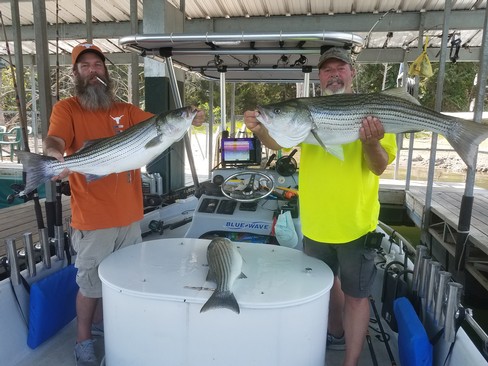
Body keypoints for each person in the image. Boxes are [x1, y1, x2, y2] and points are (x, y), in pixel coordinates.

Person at [44, 43, 204, 366]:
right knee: (90, 285)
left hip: (130, 218)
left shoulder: (126, 111)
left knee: (123, 278)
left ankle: (108, 326)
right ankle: (83, 339)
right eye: (85, 66)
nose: (93, 71)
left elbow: (159, 125)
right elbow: (56, 140)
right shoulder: (68, 109)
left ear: (106, 70)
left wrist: (190, 117)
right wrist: (52, 155)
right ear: (76, 73)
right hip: (92, 219)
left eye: (98, 65)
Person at [244, 47, 397, 366]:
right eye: (327, 70)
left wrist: (370, 142)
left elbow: (380, 166)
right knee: (326, 288)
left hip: (357, 225)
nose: (334, 74)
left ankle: (350, 362)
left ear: (351, 73)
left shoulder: (373, 111)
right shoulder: (306, 113)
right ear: (320, 77)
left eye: (340, 67)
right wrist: (259, 128)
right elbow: (280, 142)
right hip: (315, 225)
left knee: (356, 298)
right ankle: (336, 334)